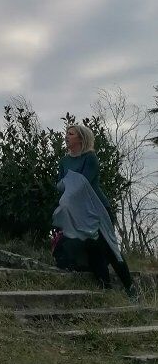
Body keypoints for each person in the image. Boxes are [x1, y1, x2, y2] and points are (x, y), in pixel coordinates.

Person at [52, 123, 136, 296]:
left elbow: (84, 183)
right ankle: (105, 287)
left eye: (71, 134)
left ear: (81, 138)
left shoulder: (90, 157)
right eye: (66, 133)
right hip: (78, 212)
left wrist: (69, 184)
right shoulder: (64, 161)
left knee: (109, 248)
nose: (66, 136)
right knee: (91, 247)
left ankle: (131, 289)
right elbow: (60, 184)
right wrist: (66, 186)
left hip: (97, 209)